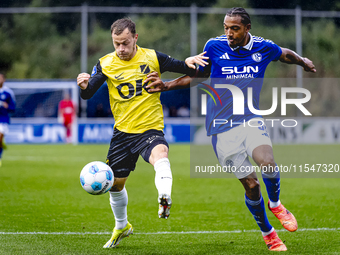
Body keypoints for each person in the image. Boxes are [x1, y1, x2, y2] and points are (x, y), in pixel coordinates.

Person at [146, 7, 316, 252]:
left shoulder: (262, 47)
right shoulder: (214, 46)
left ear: (247, 28)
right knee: (252, 186)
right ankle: (268, 233)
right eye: (226, 28)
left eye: (234, 28)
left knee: (267, 163)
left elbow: (285, 54)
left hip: (250, 119)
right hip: (221, 128)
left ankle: (276, 204)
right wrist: (167, 85)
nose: (228, 33)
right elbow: (199, 76)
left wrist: (303, 62)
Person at [76, 18, 196, 249]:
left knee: (160, 155)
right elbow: (88, 93)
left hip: (150, 127)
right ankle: (122, 226)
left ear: (135, 38)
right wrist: (83, 86)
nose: (121, 49)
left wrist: (188, 64)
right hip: (122, 133)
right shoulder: (105, 63)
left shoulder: (153, 57)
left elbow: (190, 72)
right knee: (116, 185)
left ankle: (164, 197)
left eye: (125, 43)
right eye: (116, 44)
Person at [0, 72, 16, 166]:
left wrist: (7, 106)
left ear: (4, 80)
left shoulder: (8, 92)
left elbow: (13, 108)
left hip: (3, 119)